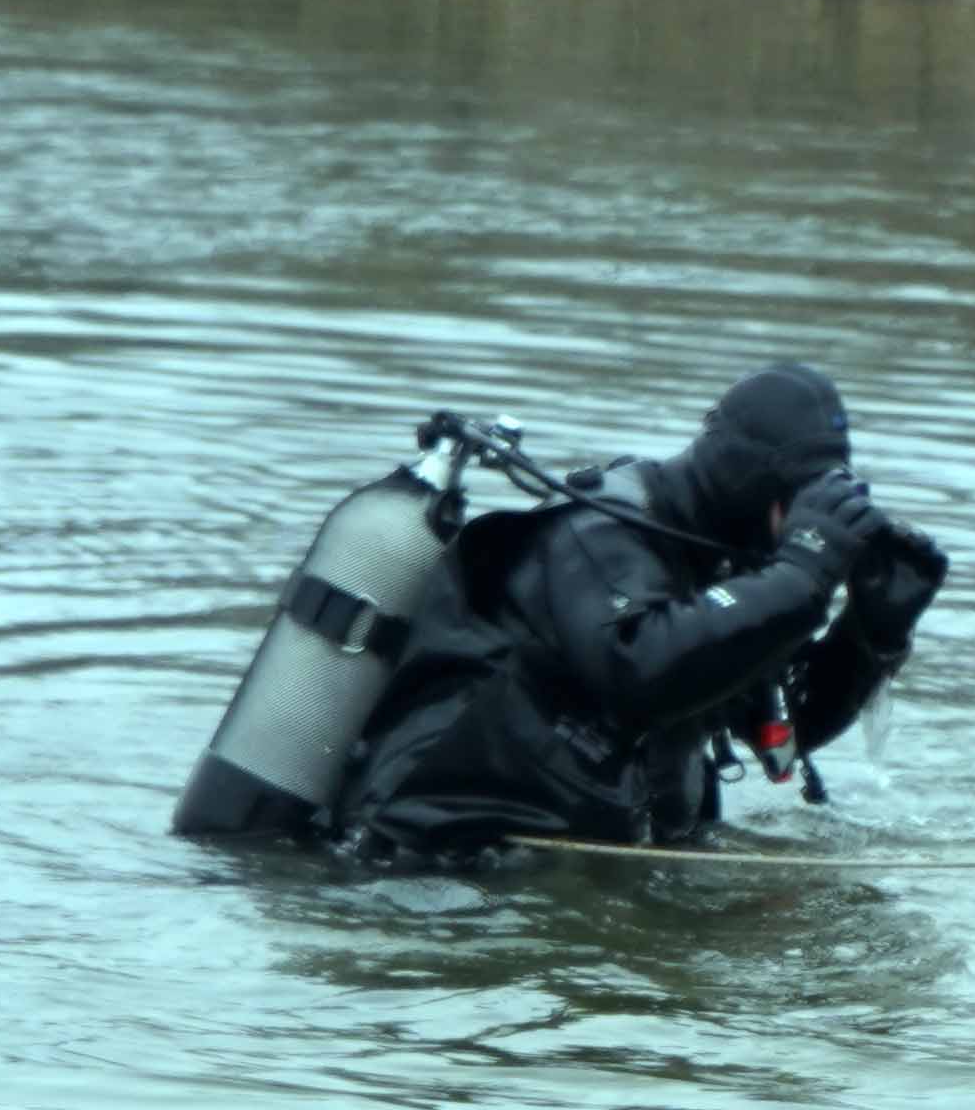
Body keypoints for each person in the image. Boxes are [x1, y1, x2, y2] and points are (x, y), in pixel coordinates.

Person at [336, 364, 943, 862]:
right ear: (752, 480)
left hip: (586, 861)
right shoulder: (597, 535)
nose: (806, 512)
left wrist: (870, 631)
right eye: (799, 493)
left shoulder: (729, 564)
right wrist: (802, 577)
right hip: (444, 864)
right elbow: (640, 668)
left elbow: (785, 733)